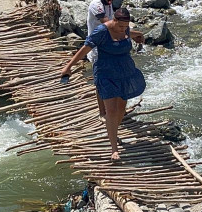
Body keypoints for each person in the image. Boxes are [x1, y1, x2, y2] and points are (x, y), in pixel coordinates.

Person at [60, 8, 146, 161]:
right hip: (106, 73)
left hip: (124, 72)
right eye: (120, 26)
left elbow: (130, 33)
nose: (123, 29)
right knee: (111, 111)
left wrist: (139, 35)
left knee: (121, 109)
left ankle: (113, 131)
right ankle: (114, 149)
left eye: (126, 26)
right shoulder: (101, 31)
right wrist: (69, 66)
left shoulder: (125, 29)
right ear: (114, 20)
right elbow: (84, 49)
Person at [87, 0, 123, 119]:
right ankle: (102, 112)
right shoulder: (96, 5)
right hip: (97, 48)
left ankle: (113, 108)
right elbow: (108, 24)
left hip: (109, 46)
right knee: (101, 81)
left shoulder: (108, 2)